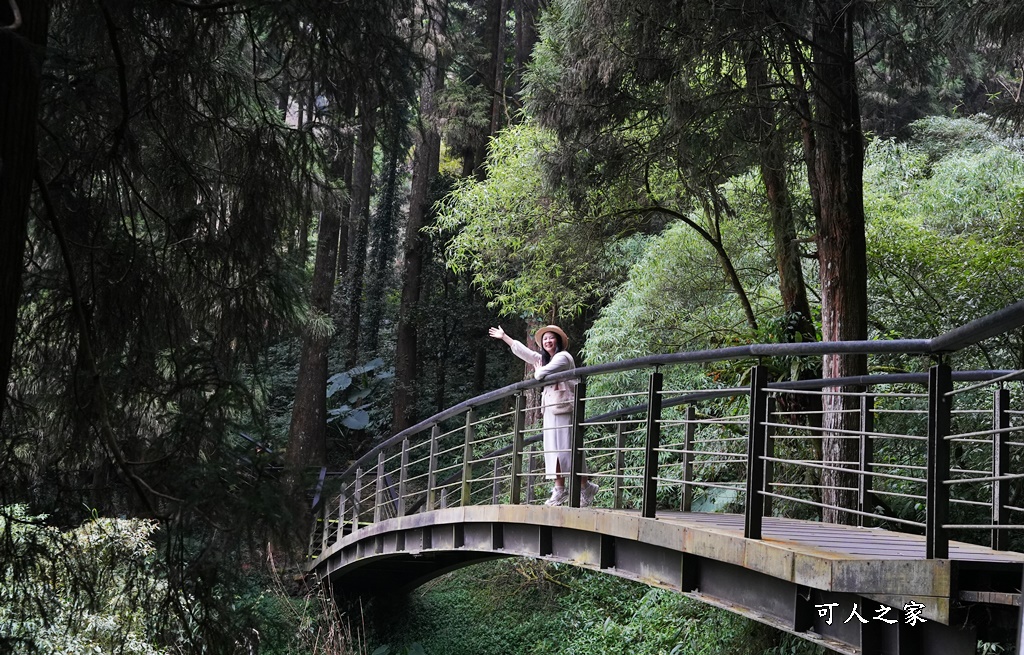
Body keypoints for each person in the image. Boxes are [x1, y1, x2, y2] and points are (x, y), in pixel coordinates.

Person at [488, 324, 599, 507]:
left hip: (563, 409)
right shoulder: (547, 359)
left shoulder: (563, 357)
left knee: (566, 449)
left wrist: (538, 370)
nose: (548, 341)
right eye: (545, 338)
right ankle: (564, 489)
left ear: (558, 340)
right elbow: (527, 354)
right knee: (553, 450)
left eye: (551, 337)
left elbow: (541, 374)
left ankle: (580, 487)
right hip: (551, 409)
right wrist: (505, 337)